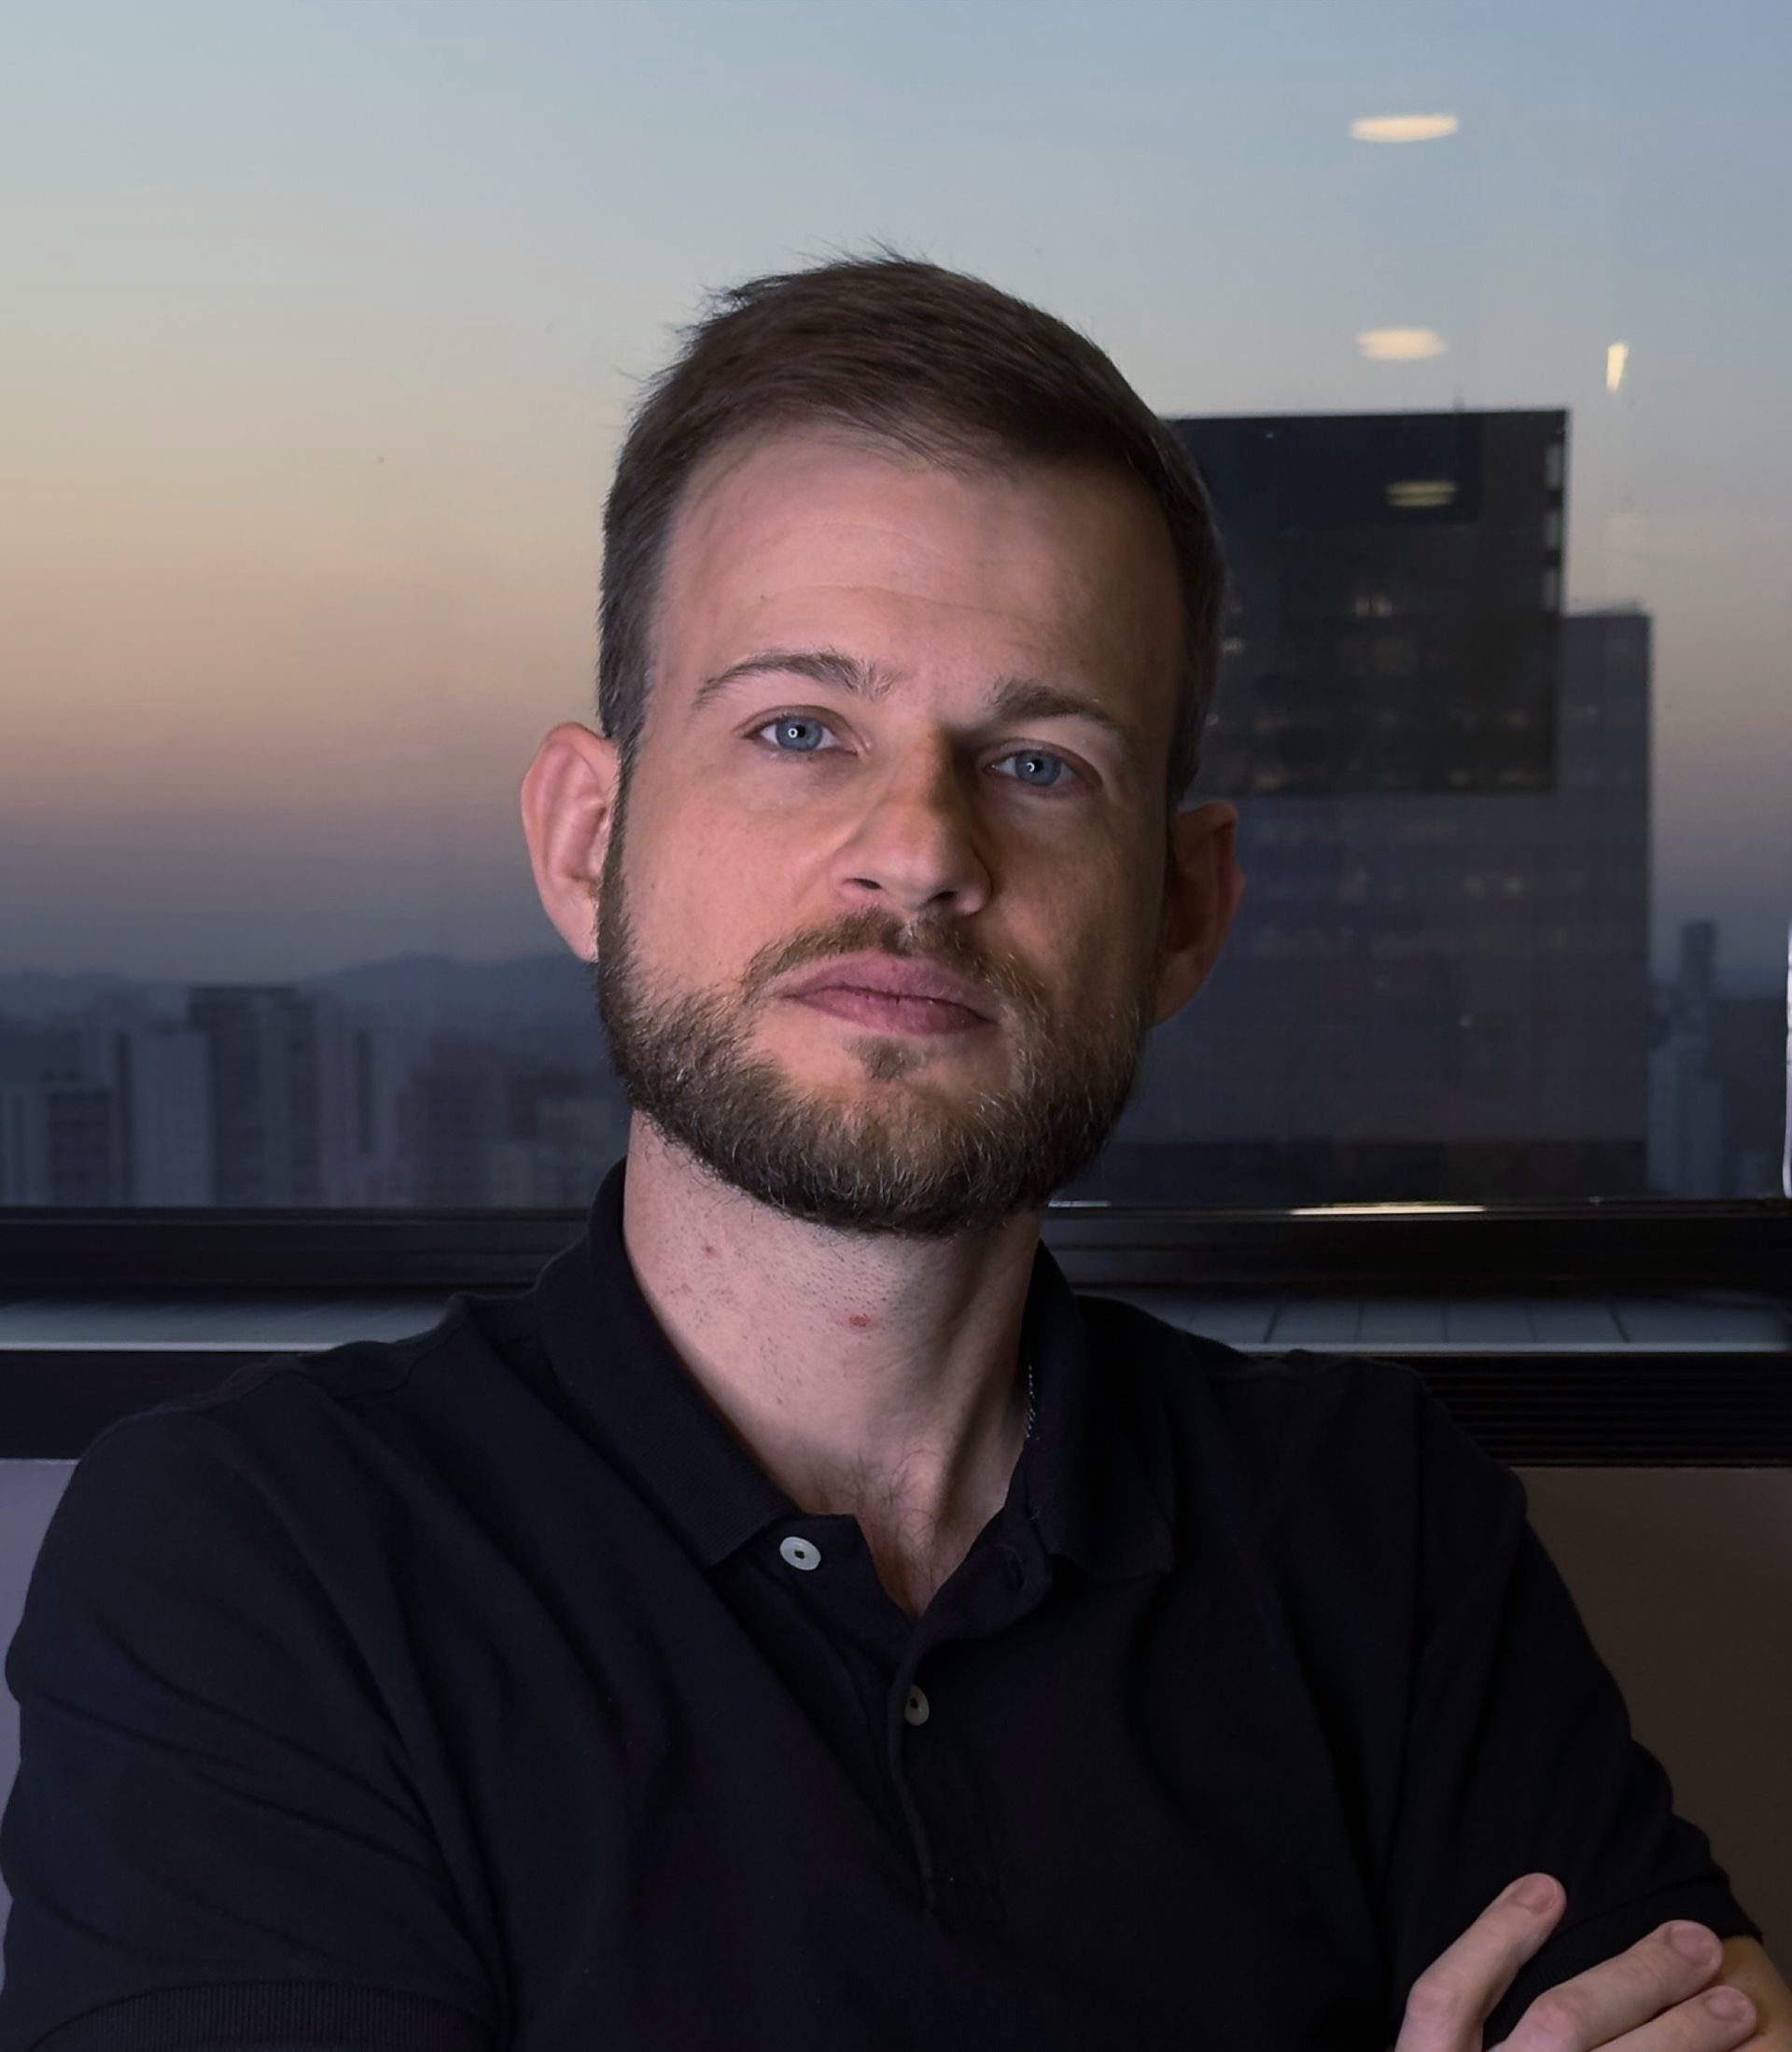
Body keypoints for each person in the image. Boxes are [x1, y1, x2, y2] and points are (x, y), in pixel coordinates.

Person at [0, 256, 1785, 2052]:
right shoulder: (259, 1560)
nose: (918, 848)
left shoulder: (1380, 1528)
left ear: (1182, 912)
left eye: (1039, 761)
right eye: (798, 727)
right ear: (585, 839)